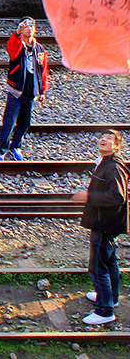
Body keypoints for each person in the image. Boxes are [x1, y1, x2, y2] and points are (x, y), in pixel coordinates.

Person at [74, 129, 129, 325]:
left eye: (110, 139)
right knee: (109, 260)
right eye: (103, 137)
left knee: (98, 267)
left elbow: (117, 197)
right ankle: (111, 298)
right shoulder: (106, 162)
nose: (104, 140)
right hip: (107, 222)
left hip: (105, 223)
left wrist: (87, 197)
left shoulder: (114, 167)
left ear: (117, 146)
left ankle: (105, 311)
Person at [0, 17, 49, 160]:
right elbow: (11, 49)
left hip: (31, 90)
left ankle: (16, 146)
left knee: (25, 122)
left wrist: (43, 90)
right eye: (25, 26)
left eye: (32, 25)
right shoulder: (18, 46)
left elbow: (43, 70)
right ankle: (1, 150)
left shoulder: (39, 49)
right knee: (9, 121)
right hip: (16, 90)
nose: (29, 28)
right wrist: (17, 33)